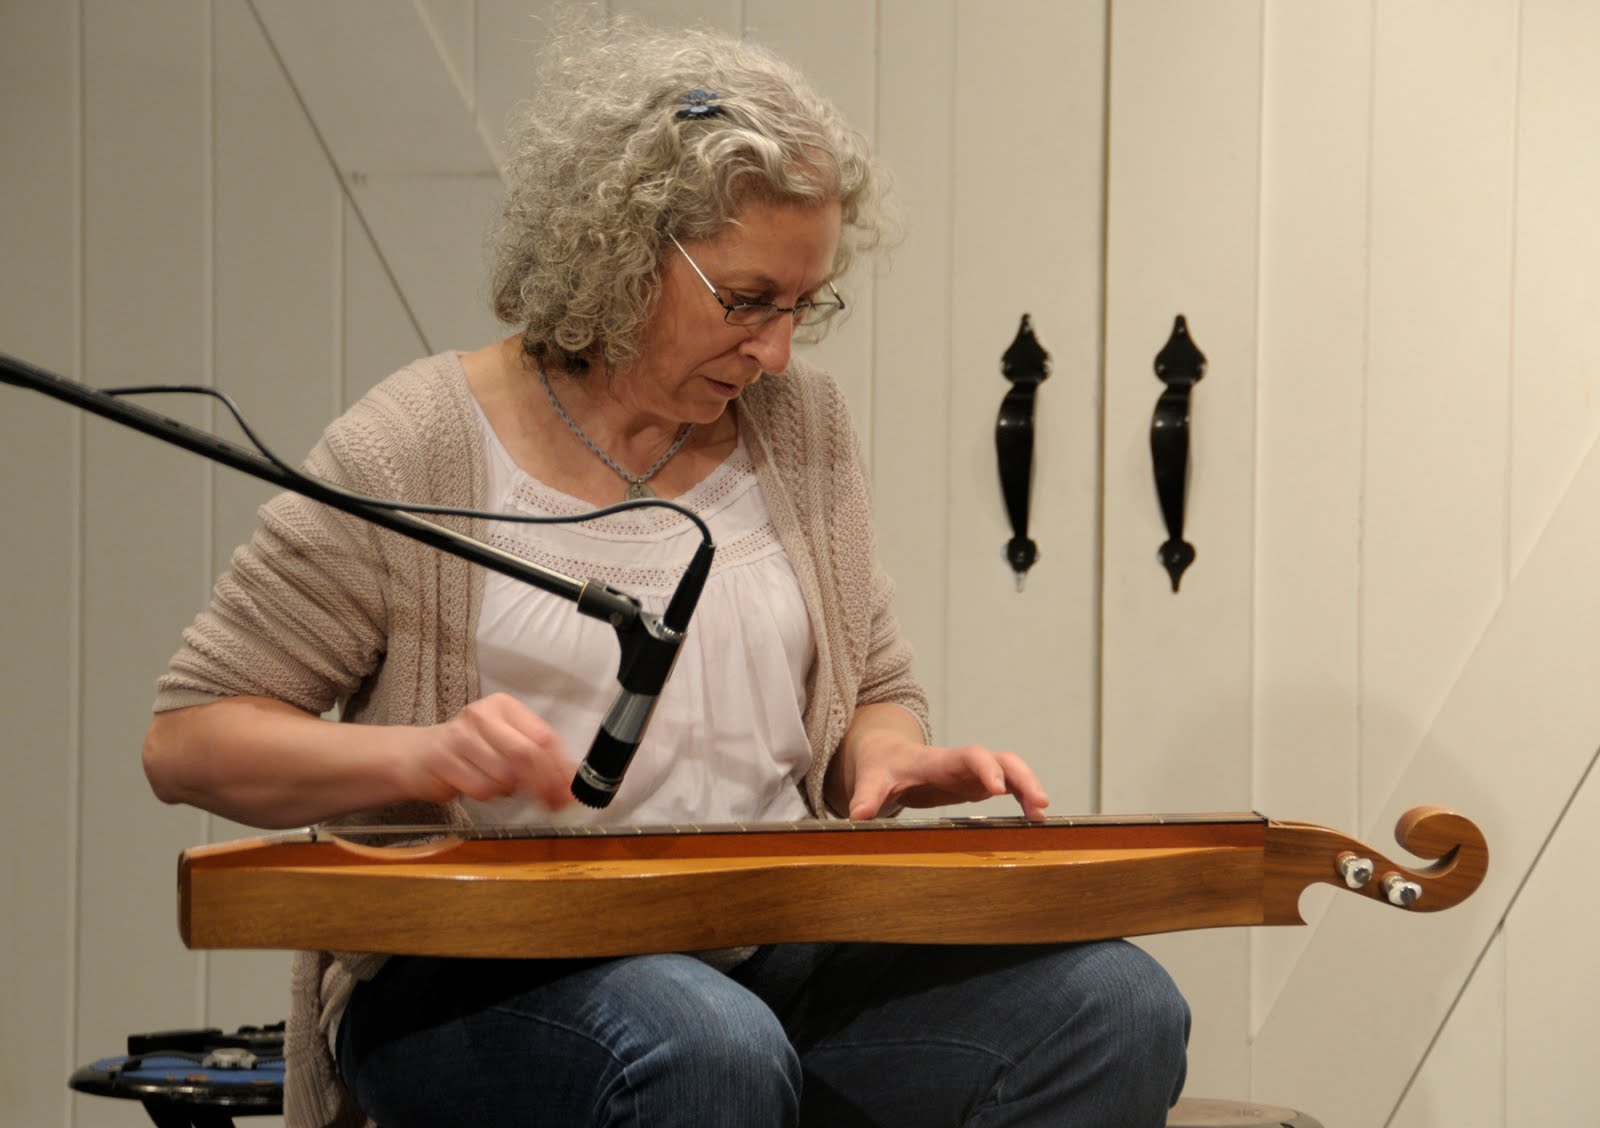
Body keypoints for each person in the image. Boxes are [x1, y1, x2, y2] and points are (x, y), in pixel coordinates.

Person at [142, 18, 1189, 1128]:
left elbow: (871, 688)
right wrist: (422, 752)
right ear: (620, 248)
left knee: (1115, 1005)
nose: (777, 351)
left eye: (804, 304)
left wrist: (888, 760)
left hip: (763, 942)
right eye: (746, 301)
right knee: (701, 1043)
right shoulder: (418, 443)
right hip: (478, 969)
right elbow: (190, 740)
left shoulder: (802, 430)